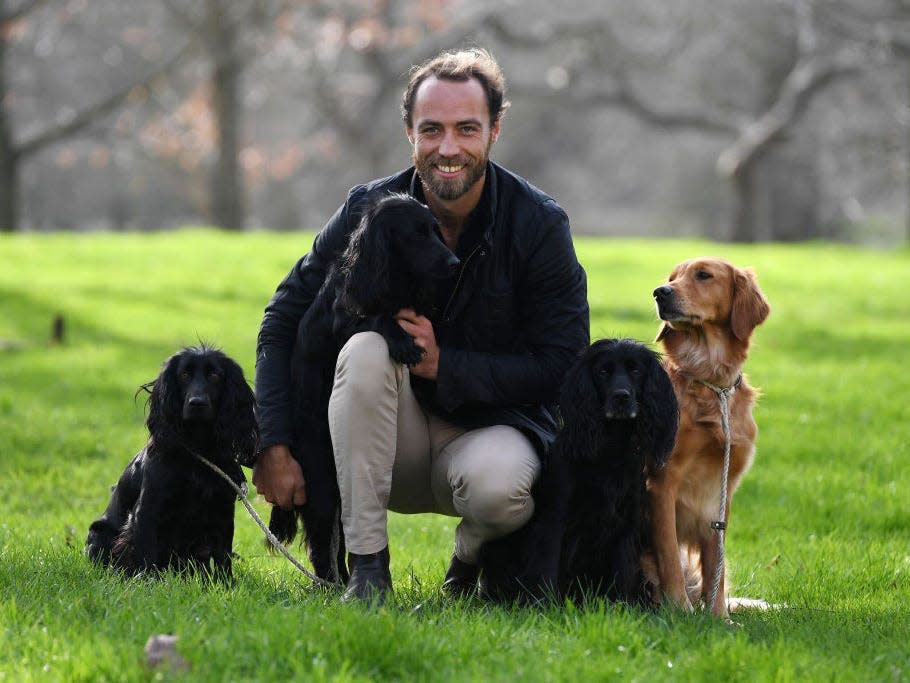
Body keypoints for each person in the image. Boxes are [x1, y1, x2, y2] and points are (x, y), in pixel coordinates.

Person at [251, 47, 589, 602]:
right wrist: (274, 443)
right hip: (384, 439)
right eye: (431, 129)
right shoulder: (369, 208)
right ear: (410, 132)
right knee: (365, 350)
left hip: (488, 431)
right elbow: (281, 320)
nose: (447, 148)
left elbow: (565, 365)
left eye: (466, 128)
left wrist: (445, 364)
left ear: (495, 131)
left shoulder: (539, 225)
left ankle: (467, 558)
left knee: (499, 489)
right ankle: (366, 571)